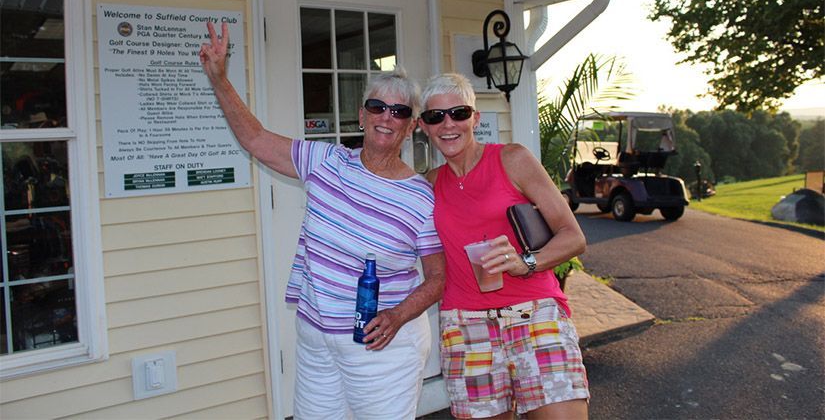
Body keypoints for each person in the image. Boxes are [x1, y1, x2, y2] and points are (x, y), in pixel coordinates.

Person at [199, 21, 445, 420]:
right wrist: (219, 79)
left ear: (411, 125)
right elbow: (257, 139)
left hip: (381, 345)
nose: (386, 117)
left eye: (399, 111)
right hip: (316, 337)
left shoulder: (420, 196)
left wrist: (397, 316)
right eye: (377, 107)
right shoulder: (326, 161)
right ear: (361, 115)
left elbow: (437, 278)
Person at [418, 73, 589, 420]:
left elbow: (573, 236)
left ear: (475, 118)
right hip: (465, 324)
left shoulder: (512, 159)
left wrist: (526, 262)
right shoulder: (429, 184)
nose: (448, 124)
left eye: (459, 113)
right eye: (436, 117)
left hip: (534, 314)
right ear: (423, 126)